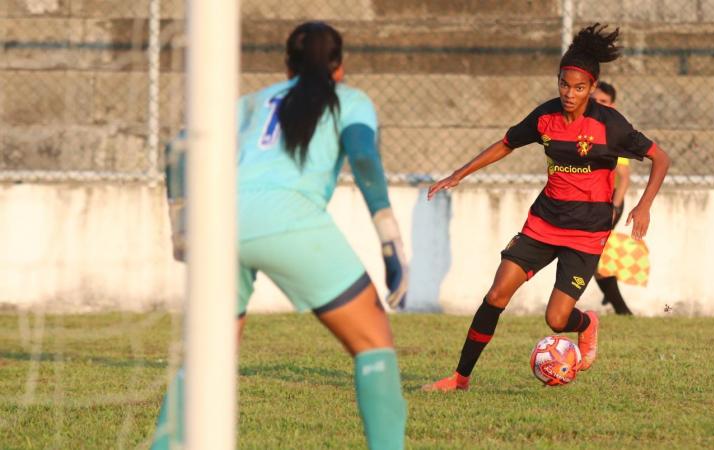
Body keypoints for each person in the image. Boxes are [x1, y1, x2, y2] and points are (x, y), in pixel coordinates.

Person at [152, 21, 407, 450]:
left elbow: (179, 147)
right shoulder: (350, 99)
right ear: (339, 67)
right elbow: (362, 154)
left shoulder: (252, 102)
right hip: (290, 217)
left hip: (220, 218)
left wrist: (182, 227)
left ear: (286, 66)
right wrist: (388, 235)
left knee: (208, 360)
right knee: (373, 343)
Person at [422, 24, 670, 392]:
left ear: (592, 88)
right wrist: (460, 173)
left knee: (556, 320)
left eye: (579, 88)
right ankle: (460, 378)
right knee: (496, 295)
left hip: (587, 234)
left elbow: (659, 158)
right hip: (544, 223)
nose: (570, 94)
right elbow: (507, 142)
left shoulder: (609, 126)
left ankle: (586, 324)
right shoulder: (545, 117)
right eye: (564, 85)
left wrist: (644, 205)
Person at [592, 81, 633, 316]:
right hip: (589, 202)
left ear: (612, 106)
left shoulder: (613, 132)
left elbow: (623, 177)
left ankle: (620, 307)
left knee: (589, 255)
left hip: (609, 204)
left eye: (604, 102)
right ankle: (616, 301)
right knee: (591, 257)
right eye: (595, 101)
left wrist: (614, 208)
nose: (598, 105)